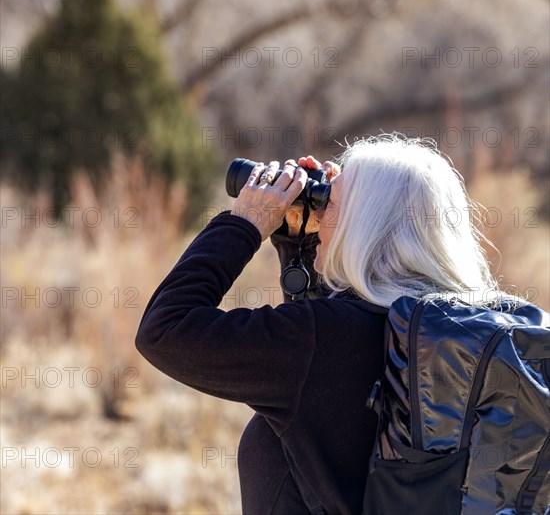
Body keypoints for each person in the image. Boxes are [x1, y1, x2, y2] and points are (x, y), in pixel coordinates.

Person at [135, 133, 499, 514]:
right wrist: (300, 247)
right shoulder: (473, 329)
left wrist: (245, 223)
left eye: (332, 204)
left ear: (365, 226)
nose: (322, 218)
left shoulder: (325, 338)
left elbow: (165, 329)